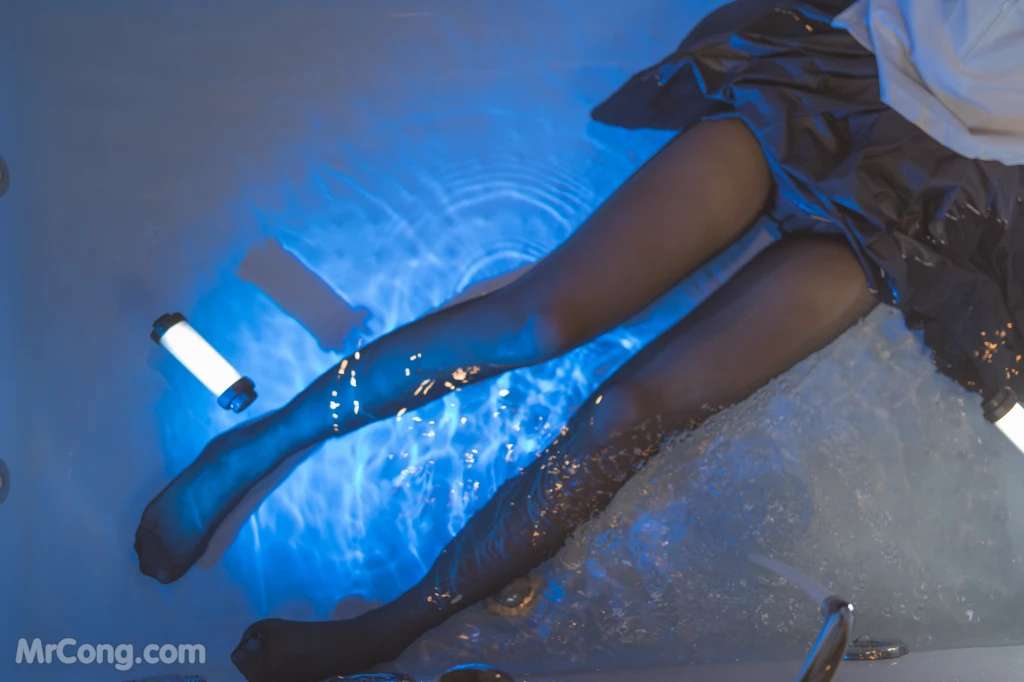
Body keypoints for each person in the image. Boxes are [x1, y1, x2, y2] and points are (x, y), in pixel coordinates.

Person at [133, 0, 1024, 679]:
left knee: (632, 413)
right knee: (540, 318)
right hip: (846, 77)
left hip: (950, 196)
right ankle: (264, 439)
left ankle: (399, 624)